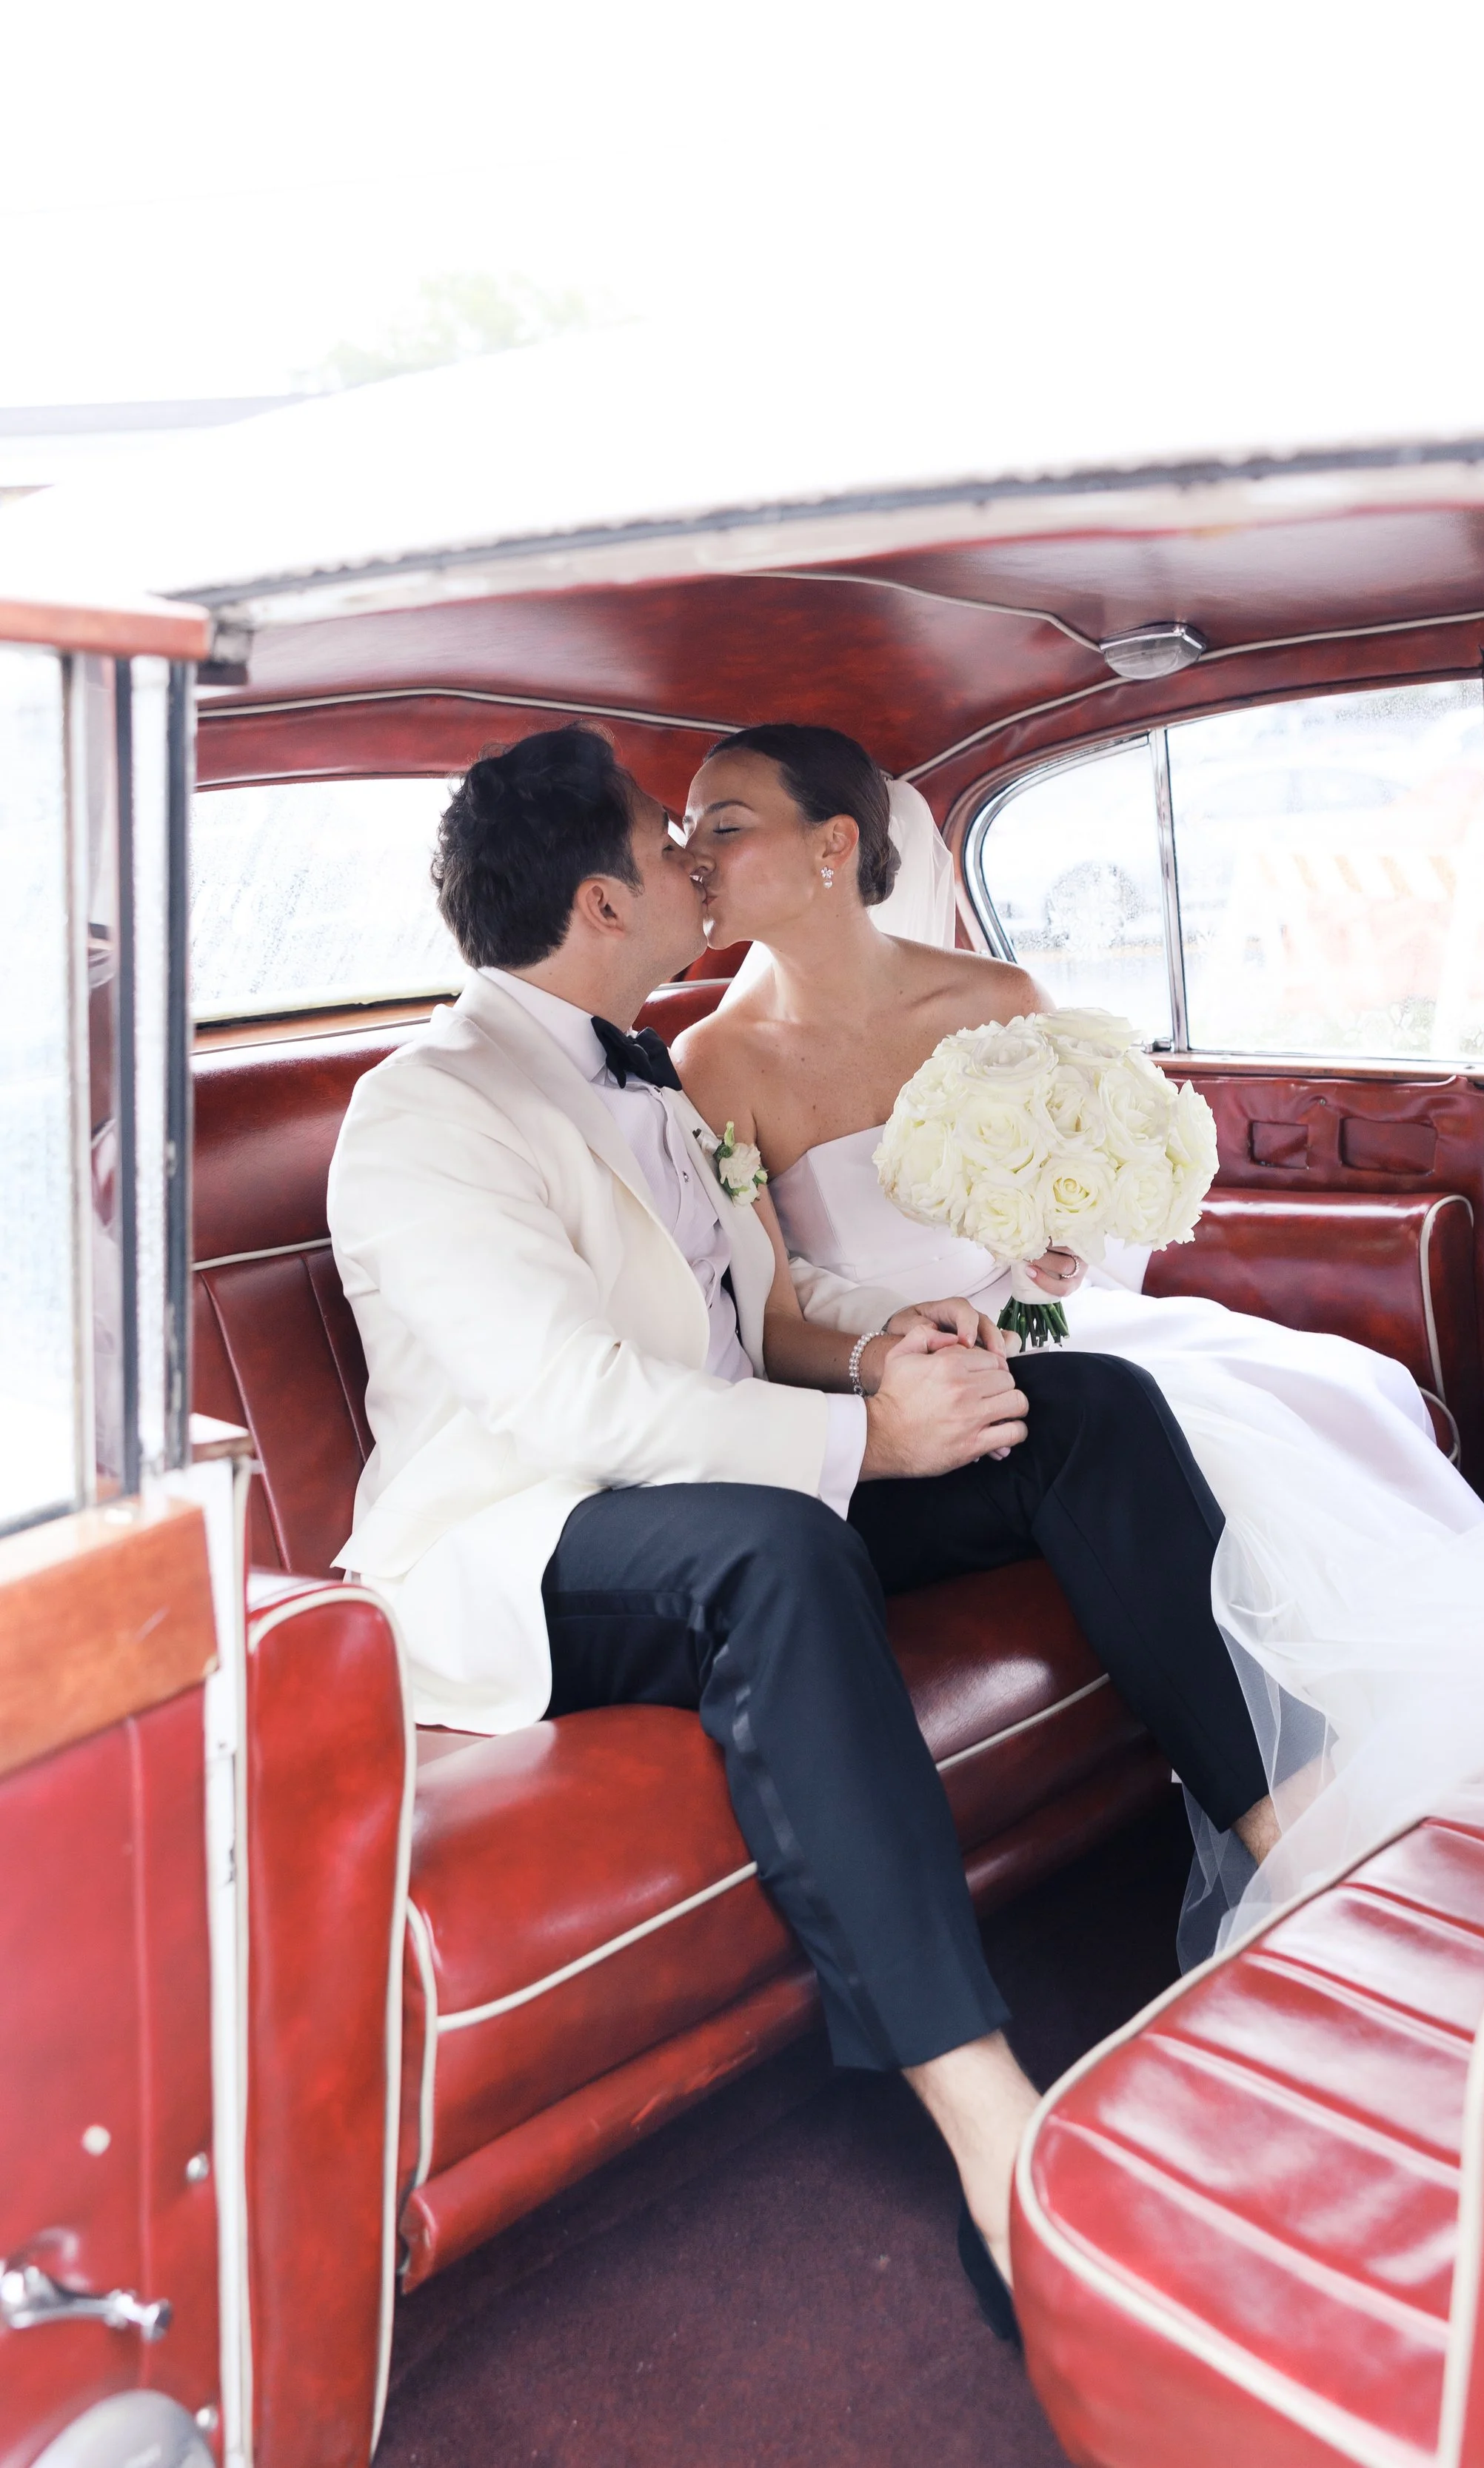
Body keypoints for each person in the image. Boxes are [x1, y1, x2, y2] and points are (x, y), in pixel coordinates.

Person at [326, 723, 1278, 2341]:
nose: (696, 867)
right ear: (600, 903)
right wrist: (861, 1442)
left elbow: (756, 1300)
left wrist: (891, 1342)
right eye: (668, 843)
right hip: (537, 1541)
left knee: (1083, 1405)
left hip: (727, 1472)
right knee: (778, 1551)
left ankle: (1290, 1849)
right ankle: (991, 2132)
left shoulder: (648, 1065)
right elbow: (572, 1401)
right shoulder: (430, 1109)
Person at [675, 723, 1484, 1957]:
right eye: (685, 830)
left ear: (834, 846)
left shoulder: (994, 1003)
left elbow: (1093, 1203)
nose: (692, 854)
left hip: (1055, 1323)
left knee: (1327, 1394)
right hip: (914, 1384)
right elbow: (771, 1319)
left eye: (724, 825)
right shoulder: (711, 1064)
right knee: (1171, 1434)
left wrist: (1064, 1248)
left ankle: (1410, 1807)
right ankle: (1319, 1837)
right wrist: (900, 1358)